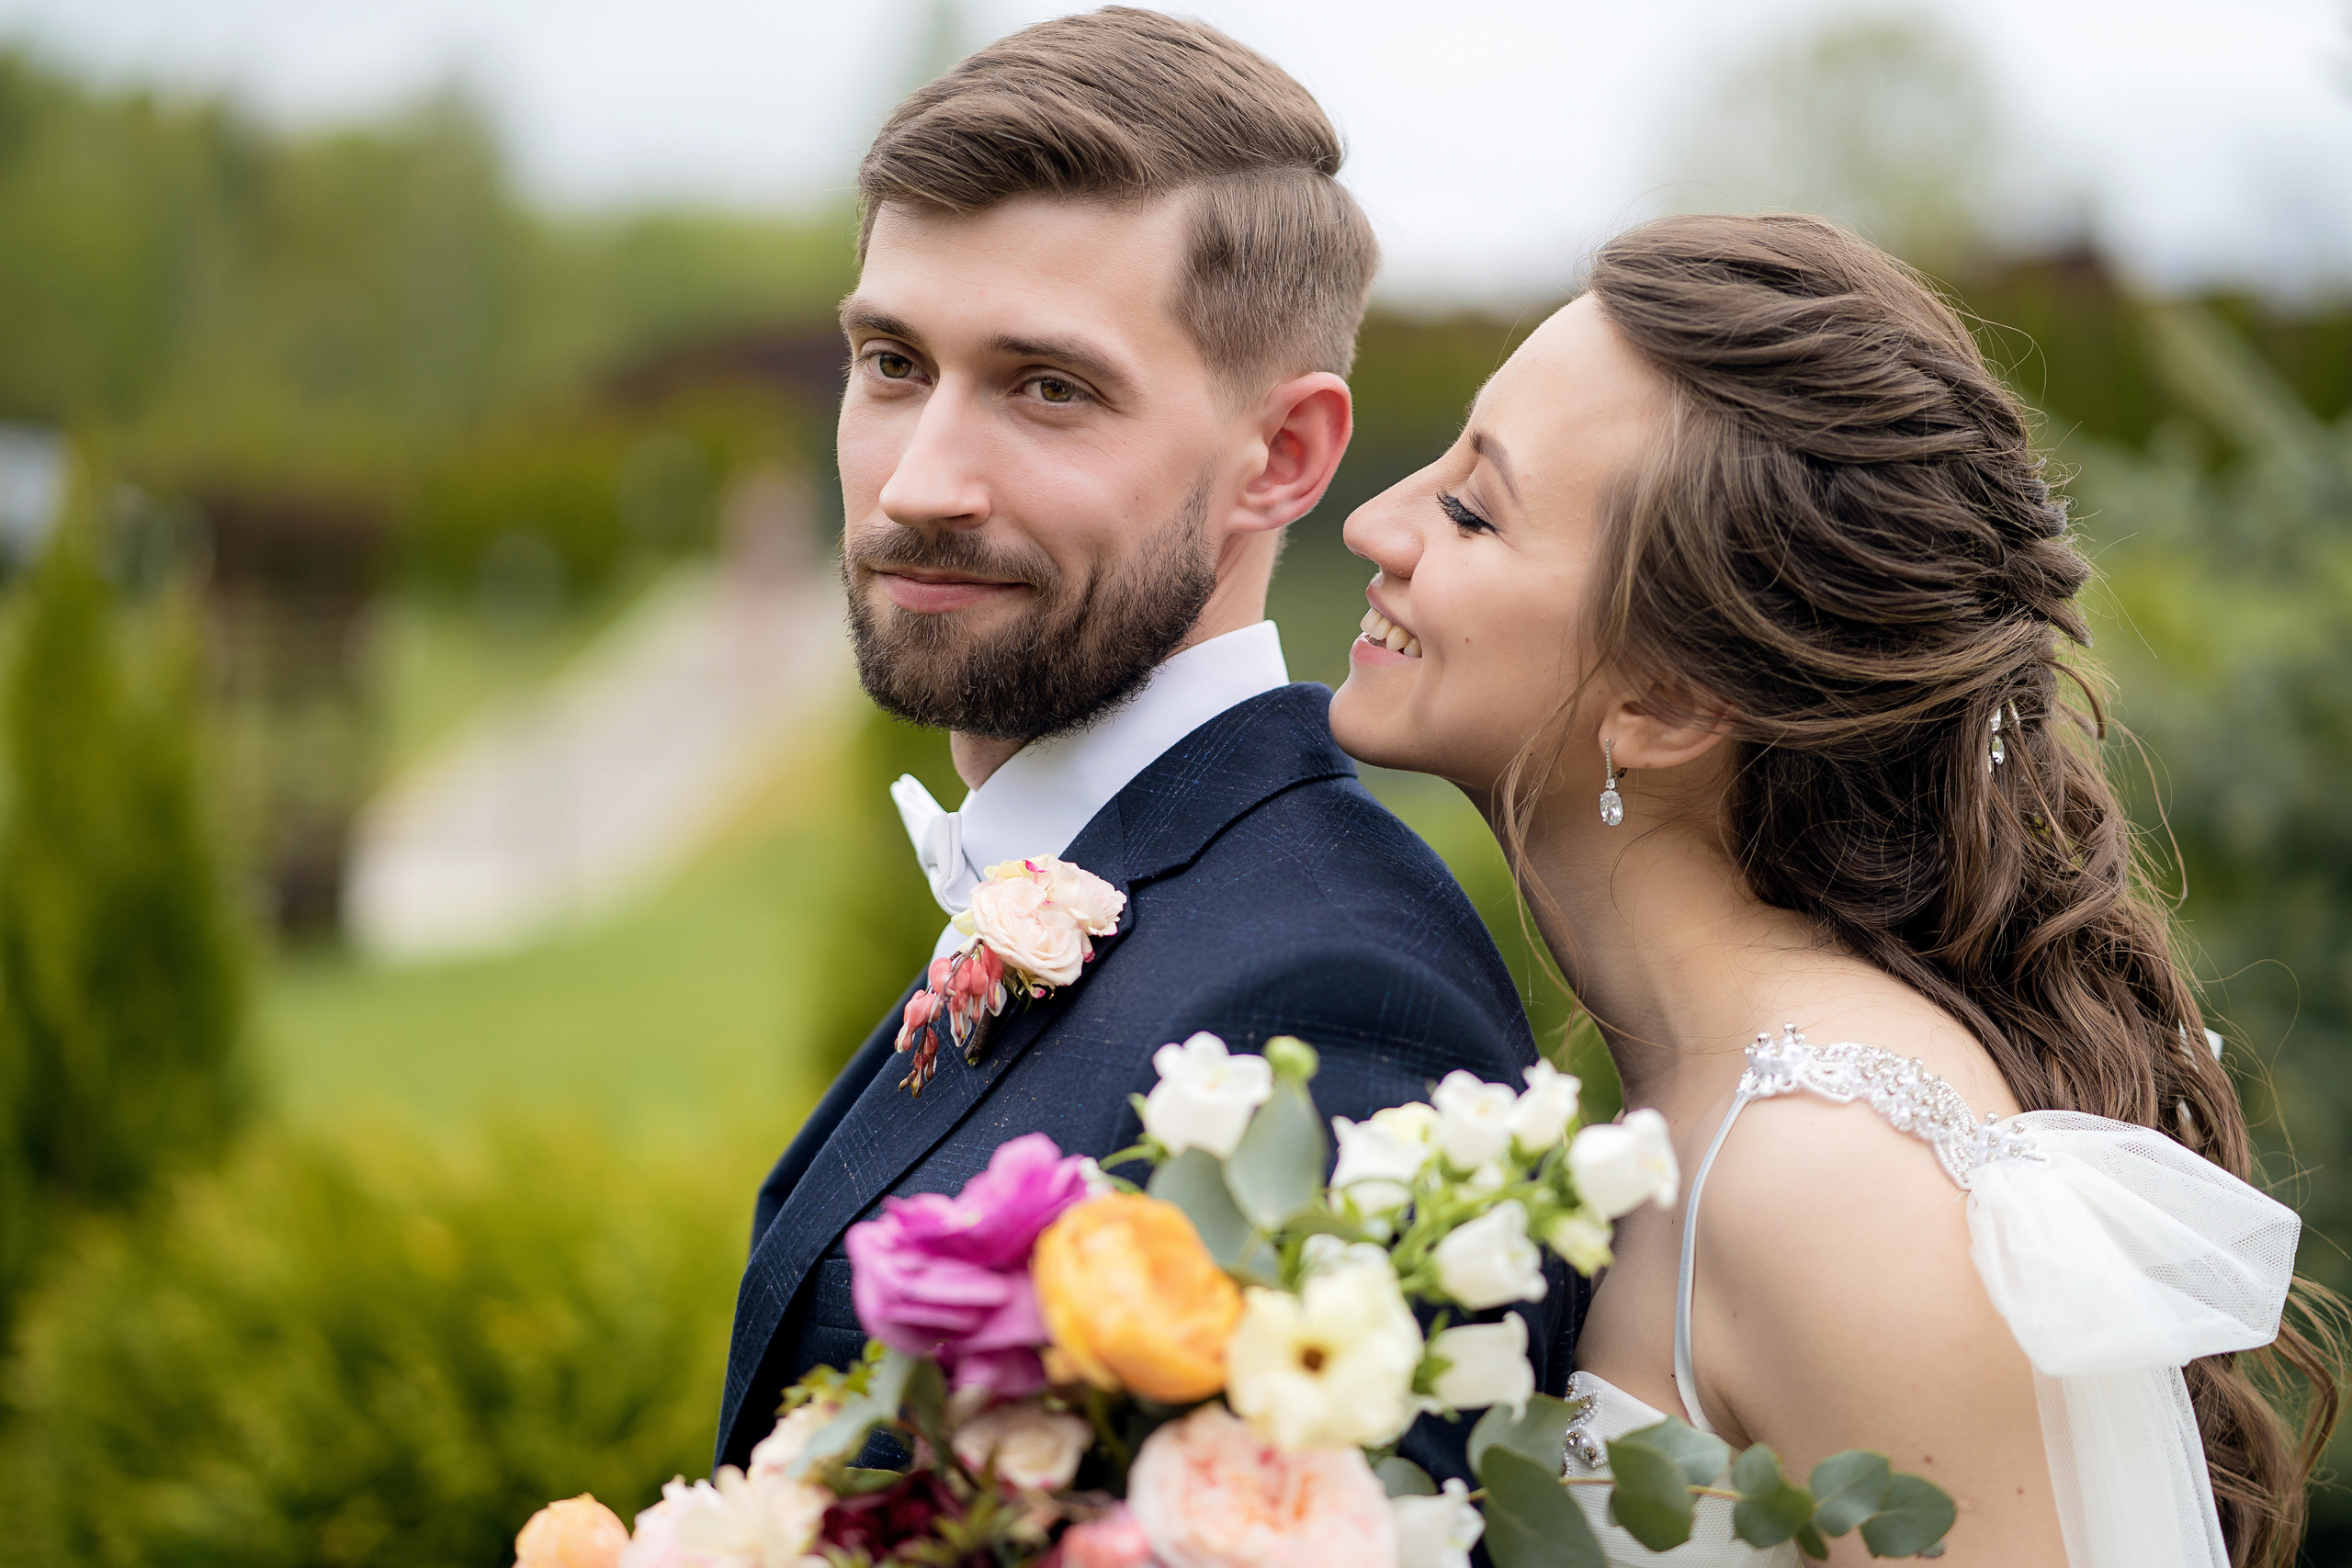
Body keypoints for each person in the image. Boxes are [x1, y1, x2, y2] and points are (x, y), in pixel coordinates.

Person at [1329, 212, 2340, 1566]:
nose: (1371, 522)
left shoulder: (1832, 1182)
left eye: (1469, 506)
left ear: (1672, 698)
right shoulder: (1682, 1095)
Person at [718, 9, 1565, 1481]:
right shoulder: (1096, 870)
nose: (921, 484)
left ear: (1283, 458)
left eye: (1050, 387)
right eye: (892, 363)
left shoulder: (1336, 1010)